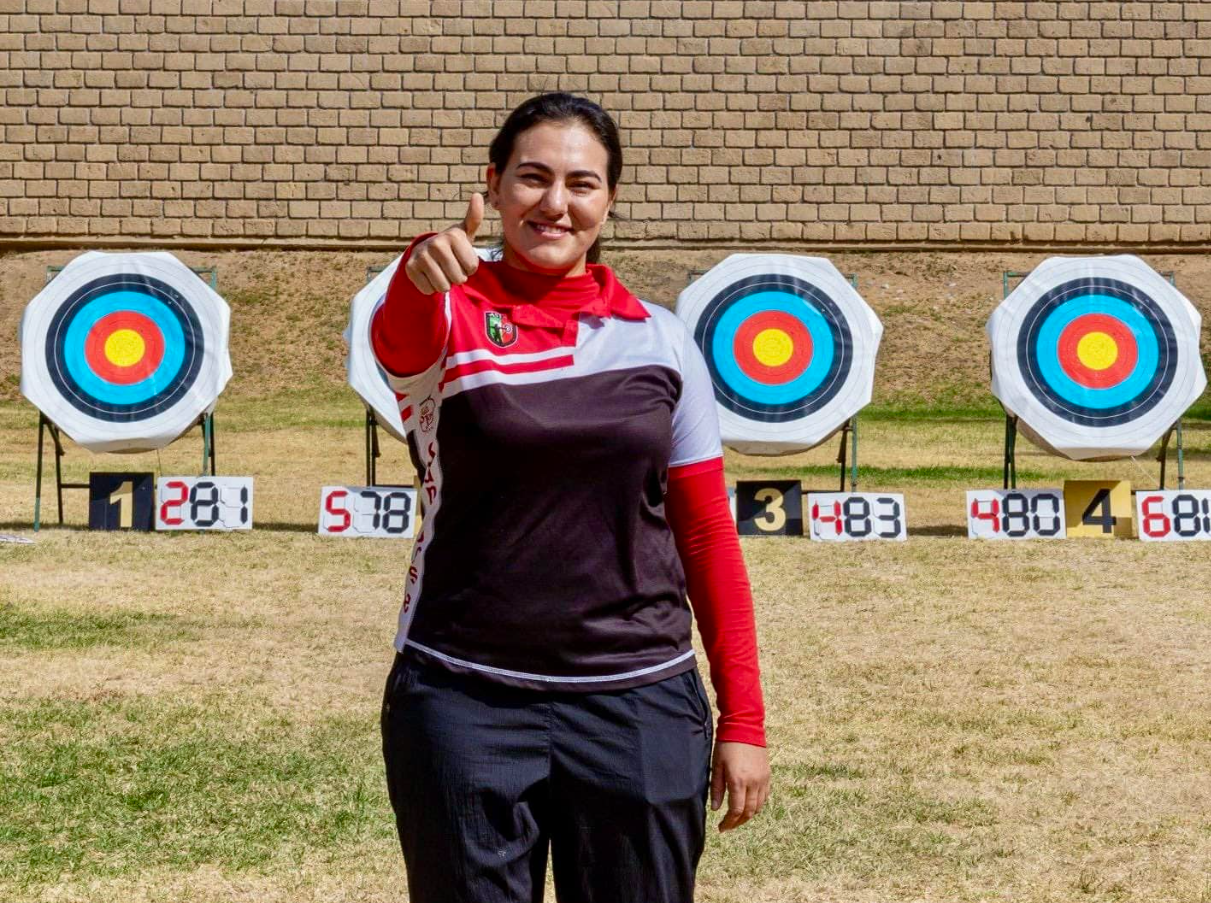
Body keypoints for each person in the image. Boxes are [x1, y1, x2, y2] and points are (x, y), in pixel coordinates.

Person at [373, 92, 769, 903]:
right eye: (532, 177)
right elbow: (397, 334)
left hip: (640, 702)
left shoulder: (661, 340)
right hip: (463, 696)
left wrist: (744, 719)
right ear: (492, 184)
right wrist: (417, 269)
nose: (555, 203)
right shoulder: (444, 314)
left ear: (609, 199)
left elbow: (703, 535)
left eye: (581, 183)